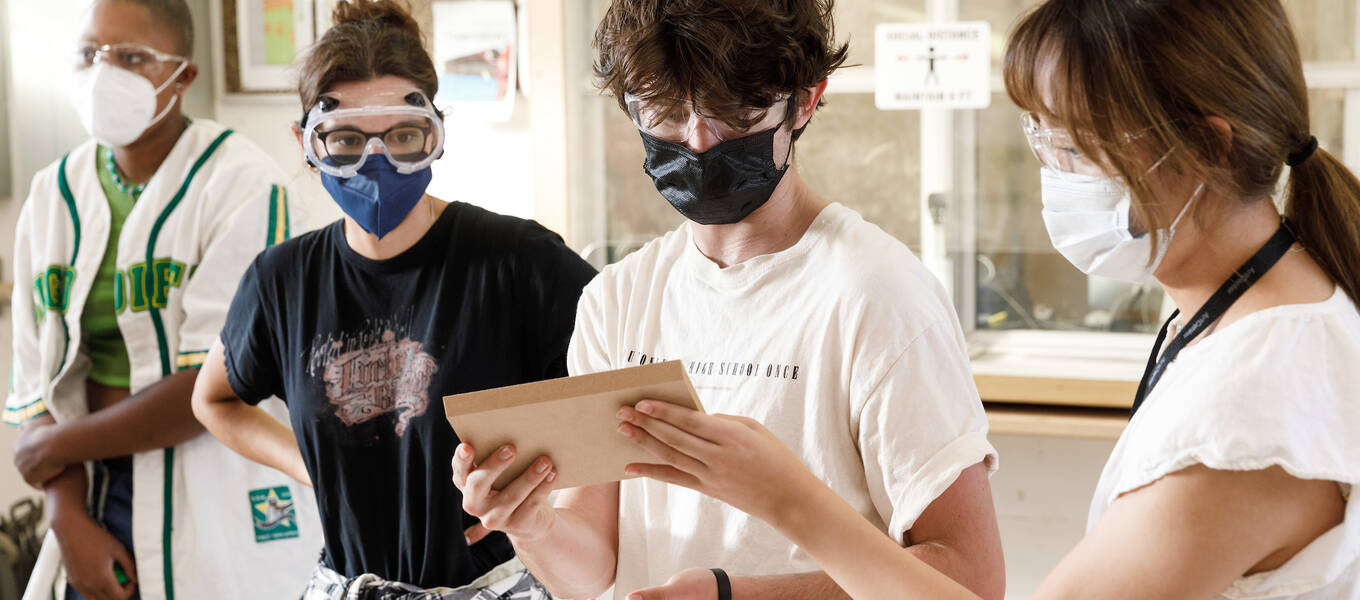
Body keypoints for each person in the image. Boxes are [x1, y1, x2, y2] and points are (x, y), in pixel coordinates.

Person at [595, 1, 1360, 599]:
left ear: (1208, 147)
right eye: (1040, 138)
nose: (1053, 173)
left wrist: (789, 501)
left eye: (1073, 144)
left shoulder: (1264, 390)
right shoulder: (1228, 318)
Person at [451, 1, 1006, 599]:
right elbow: (595, 566)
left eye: (732, 113)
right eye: (663, 111)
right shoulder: (619, 298)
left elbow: (970, 579)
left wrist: (734, 595)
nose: (696, 141)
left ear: (806, 101)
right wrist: (532, 523)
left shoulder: (879, 296)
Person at [189, 2, 598, 599]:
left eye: (403, 136)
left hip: (494, 585)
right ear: (306, 143)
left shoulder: (516, 260)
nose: (377, 161)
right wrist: (313, 469)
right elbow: (214, 400)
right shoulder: (282, 281)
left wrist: (546, 496)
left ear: (437, 134)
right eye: (347, 140)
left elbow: (623, 375)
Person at [6, 1, 323, 598]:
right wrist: (67, 519)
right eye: (88, 54)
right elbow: (39, 378)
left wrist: (53, 446)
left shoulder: (243, 186)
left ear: (184, 77)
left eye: (132, 58)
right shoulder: (52, 195)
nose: (104, 73)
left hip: (217, 489)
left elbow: (207, 388)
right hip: (91, 491)